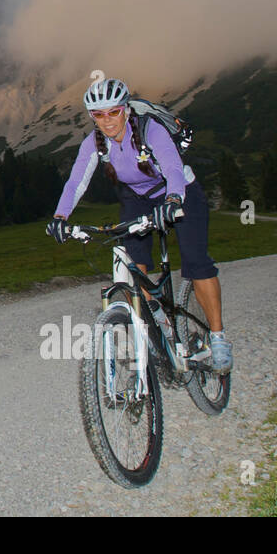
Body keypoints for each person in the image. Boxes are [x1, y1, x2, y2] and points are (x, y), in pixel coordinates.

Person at [45, 77, 232, 373]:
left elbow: (172, 168)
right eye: (98, 115)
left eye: (113, 112)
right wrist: (60, 217)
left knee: (196, 263)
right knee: (135, 268)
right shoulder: (94, 142)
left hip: (180, 192)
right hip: (137, 199)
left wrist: (172, 200)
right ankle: (160, 324)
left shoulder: (149, 130)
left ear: (125, 110)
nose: (106, 121)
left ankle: (219, 338)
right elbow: (76, 182)